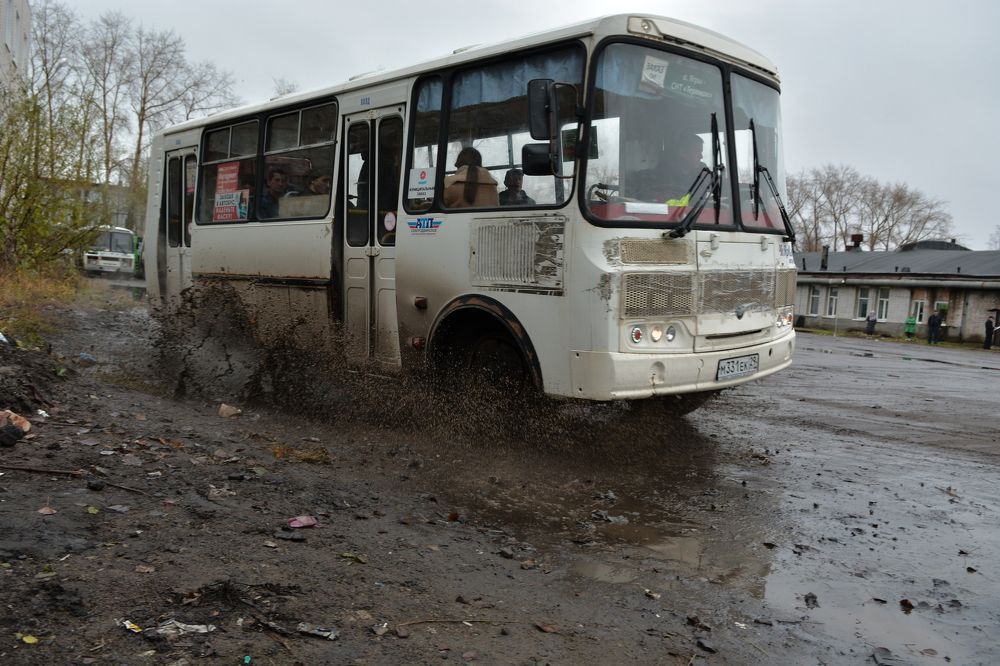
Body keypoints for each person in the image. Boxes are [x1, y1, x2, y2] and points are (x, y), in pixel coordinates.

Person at [632, 133, 707, 204]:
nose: (701, 156)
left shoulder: (702, 172)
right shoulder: (659, 177)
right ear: (683, 153)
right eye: (697, 151)